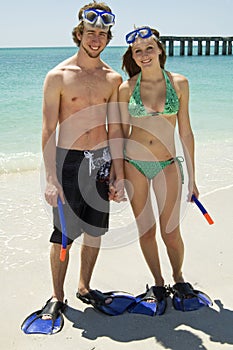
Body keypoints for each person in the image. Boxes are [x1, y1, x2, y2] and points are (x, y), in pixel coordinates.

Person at [42, 2, 125, 319]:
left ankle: (84, 287)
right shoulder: (58, 76)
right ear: (79, 34)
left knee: (94, 231)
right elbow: (49, 129)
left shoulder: (112, 79)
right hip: (68, 163)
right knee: (62, 233)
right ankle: (57, 296)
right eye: (91, 32)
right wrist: (51, 179)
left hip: (101, 161)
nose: (96, 38)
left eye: (102, 33)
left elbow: (115, 128)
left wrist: (118, 174)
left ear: (107, 38)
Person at [118, 26, 207, 312]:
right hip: (134, 166)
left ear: (159, 50)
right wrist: (118, 176)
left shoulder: (179, 83)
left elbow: (187, 132)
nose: (144, 55)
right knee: (146, 231)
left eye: (149, 48)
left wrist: (193, 178)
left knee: (171, 231)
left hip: (167, 164)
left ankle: (178, 278)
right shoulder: (126, 87)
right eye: (137, 51)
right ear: (133, 55)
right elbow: (119, 134)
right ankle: (157, 283)